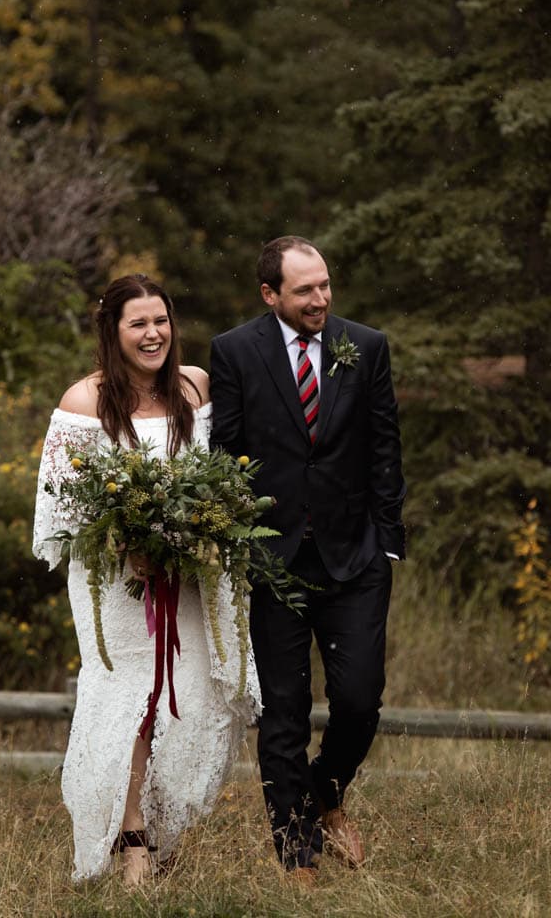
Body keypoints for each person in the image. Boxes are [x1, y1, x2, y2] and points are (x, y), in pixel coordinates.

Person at [32, 274, 260, 887]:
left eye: (160, 321)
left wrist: (203, 531)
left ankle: (165, 826)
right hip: (117, 585)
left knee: (190, 697)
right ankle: (130, 837)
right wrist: (127, 543)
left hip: (191, 578)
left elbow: (223, 475)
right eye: (138, 323)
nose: (153, 333)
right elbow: (60, 505)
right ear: (113, 331)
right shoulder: (84, 402)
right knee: (131, 699)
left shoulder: (197, 387)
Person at [209, 236, 407, 882]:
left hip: (356, 559)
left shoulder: (366, 346)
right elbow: (225, 453)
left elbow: (384, 446)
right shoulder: (235, 352)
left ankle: (326, 790)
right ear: (270, 295)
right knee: (284, 713)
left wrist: (388, 539)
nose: (320, 299)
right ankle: (297, 855)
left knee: (359, 701)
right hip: (275, 561)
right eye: (304, 290)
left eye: (324, 285)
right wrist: (240, 543)